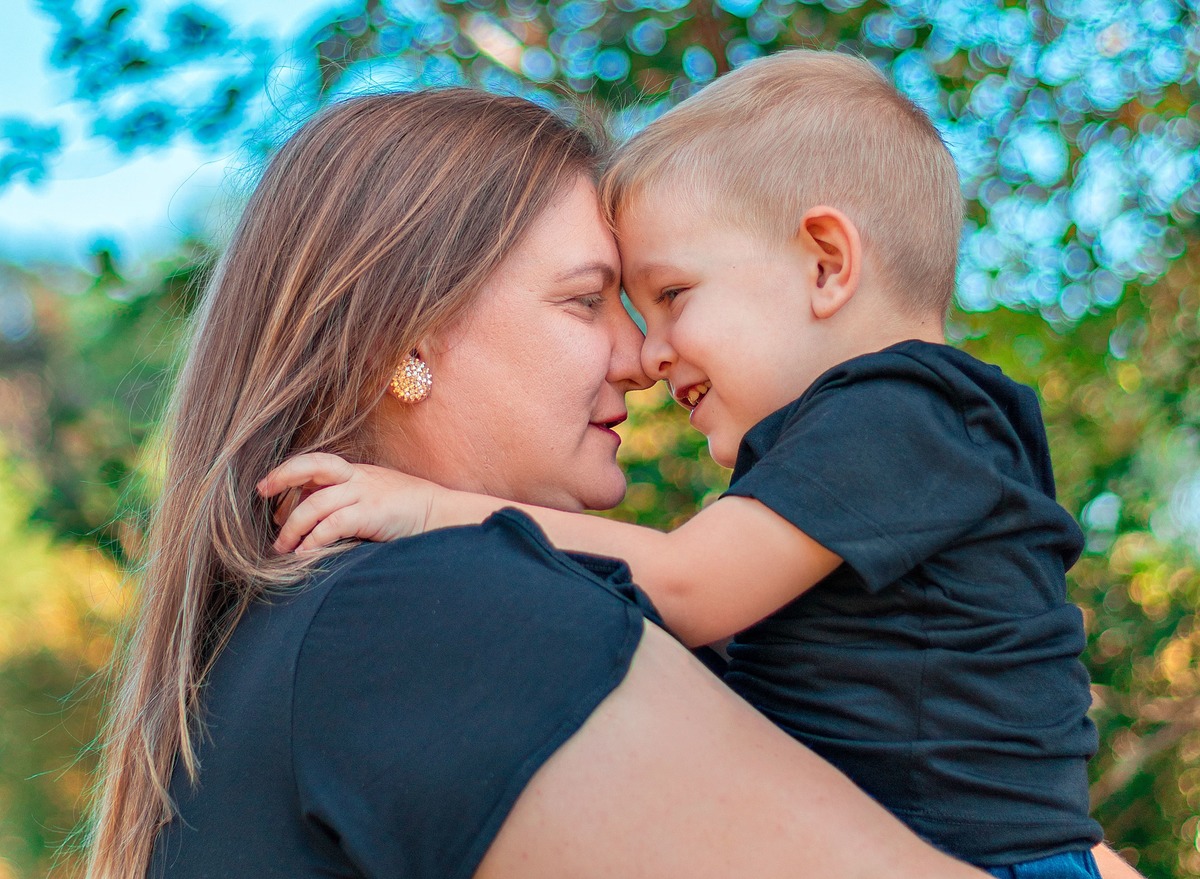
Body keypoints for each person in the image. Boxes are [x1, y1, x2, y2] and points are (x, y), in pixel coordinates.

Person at [82, 87, 996, 879]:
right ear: (406, 338)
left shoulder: (327, 629)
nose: (644, 355)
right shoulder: (437, 611)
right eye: (585, 298)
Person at [263, 52, 1119, 879]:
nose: (650, 352)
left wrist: (428, 510)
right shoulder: (880, 434)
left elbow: (690, 586)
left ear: (827, 263)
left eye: (669, 296)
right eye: (592, 301)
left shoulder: (907, 411)